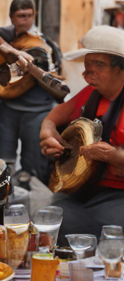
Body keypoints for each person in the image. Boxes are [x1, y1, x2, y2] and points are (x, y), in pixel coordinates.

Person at [40, 25, 124, 244]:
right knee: (48, 220)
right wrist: (47, 135)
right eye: (87, 65)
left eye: (99, 65)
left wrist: (114, 156)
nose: (88, 73)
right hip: (83, 190)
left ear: (121, 69)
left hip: (119, 194)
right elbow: (51, 119)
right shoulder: (91, 93)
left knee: (107, 232)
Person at [0, 0, 63, 184]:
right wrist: (12, 52)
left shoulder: (46, 45)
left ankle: (29, 201)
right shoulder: (8, 36)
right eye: (20, 16)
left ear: (34, 15)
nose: (25, 20)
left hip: (37, 113)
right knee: (5, 162)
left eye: (28, 15)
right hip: (9, 110)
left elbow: (59, 83)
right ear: (12, 18)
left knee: (33, 166)